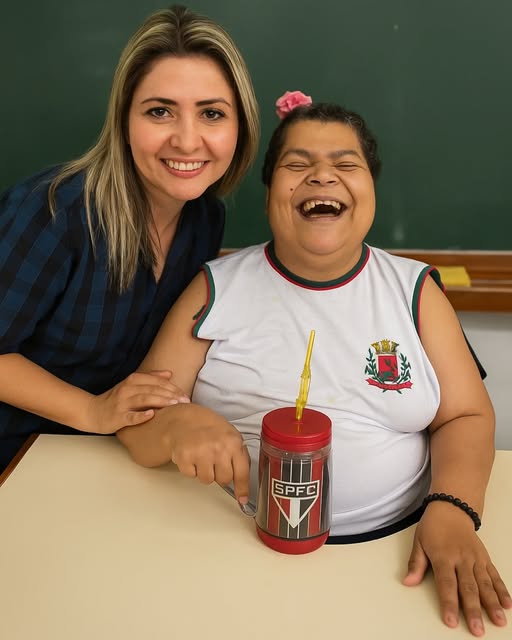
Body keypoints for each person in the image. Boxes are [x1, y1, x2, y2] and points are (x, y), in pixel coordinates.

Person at [117, 93, 511, 636]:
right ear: (269, 195)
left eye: (346, 164)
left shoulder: (415, 290)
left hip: (397, 552)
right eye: (297, 164)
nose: (322, 176)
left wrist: (452, 509)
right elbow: (136, 421)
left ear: (371, 190)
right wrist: (174, 425)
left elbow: (467, 416)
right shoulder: (213, 289)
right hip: (232, 547)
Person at [0, 5, 259, 473]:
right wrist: (91, 411)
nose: (187, 141)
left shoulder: (205, 219)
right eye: (160, 112)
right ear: (123, 120)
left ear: (240, 127)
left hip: (115, 460)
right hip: (16, 462)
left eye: (211, 113)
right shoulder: (52, 210)